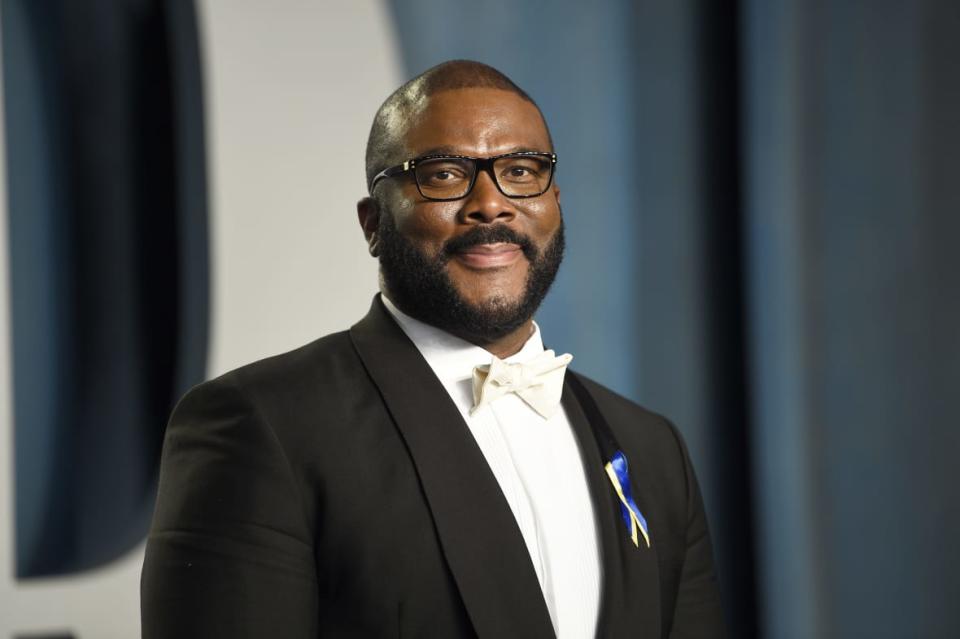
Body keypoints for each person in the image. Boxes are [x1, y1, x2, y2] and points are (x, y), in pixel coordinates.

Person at [141, 60, 725, 638]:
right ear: (373, 224)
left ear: (556, 205)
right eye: (443, 174)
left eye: (522, 170)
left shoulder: (653, 449)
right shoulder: (261, 425)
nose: (491, 204)